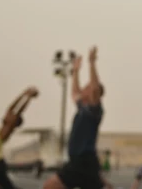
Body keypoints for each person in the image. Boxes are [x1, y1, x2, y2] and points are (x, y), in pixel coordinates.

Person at [44, 47, 111, 189]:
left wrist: (91, 63)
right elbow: (74, 93)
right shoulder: (82, 108)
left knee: (50, 185)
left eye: (87, 87)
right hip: (79, 162)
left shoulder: (95, 110)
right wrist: (75, 71)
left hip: (83, 161)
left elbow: (94, 89)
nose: (84, 89)